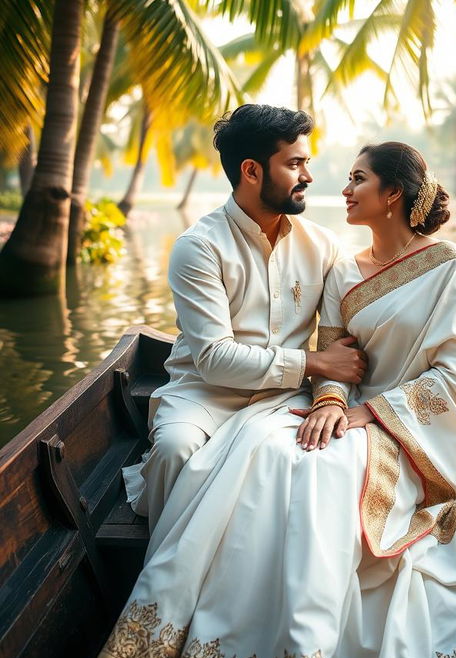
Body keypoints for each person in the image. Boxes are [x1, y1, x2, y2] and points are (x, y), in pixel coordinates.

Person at [93, 141, 456, 658]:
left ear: (394, 194)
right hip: (331, 404)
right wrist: (331, 400)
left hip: (412, 428)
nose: (341, 187)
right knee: (262, 445)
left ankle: (300, 654)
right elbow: (333, 353)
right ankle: (206, 633)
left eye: (358, 179)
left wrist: (367, 413)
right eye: (332, 174)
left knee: (317, 469)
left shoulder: (447, 266)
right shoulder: (342, 269)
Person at [124, 104, 367, 531]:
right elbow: (214, 359)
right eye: (294, 164)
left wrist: (328, 390)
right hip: (204, 394)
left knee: (313, 461)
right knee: (175, 450)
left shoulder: (323, 246)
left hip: (283, 398)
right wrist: (314, 363)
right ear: (252, 171)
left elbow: (341, 338)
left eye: (306, 163)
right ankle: (165, 572)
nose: (307, 176)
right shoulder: (199, 247)